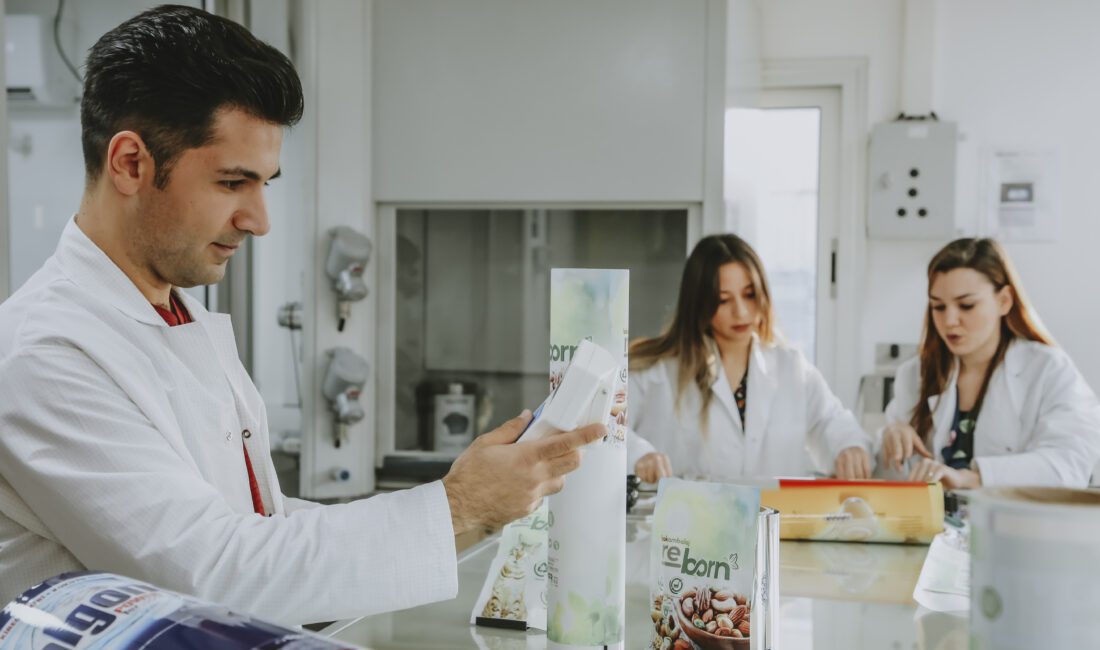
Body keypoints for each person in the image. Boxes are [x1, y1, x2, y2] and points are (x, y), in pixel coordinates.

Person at [0, 6, 601, 624]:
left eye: (265, 184)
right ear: (130, 164)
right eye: (233, 183)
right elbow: (211, 572)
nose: (260, 220)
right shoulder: (44, 352)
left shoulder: (180, 320)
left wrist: (476, 509)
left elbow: (263, 528)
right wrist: (458, 505)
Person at [628, 234, 874, 482]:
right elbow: (609, 432)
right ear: (698, 303)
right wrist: (640, 455)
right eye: (723, 300)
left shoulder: (791, 368)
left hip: (773, 517)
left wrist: (848, 447)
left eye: (749, 295)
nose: (741, 312)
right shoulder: (656, 373)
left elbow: (832, 422)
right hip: (687, 519)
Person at [881, 238, 1100, 488]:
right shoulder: (916, 374)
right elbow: (889, 475)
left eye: (966, 305)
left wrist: (971, 479)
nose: (950, 320)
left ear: (1004, 300)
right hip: (936, 525)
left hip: (1017, 523)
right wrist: (892, 436)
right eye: (938, 307)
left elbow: (1069, 463)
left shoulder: (1047, 368)